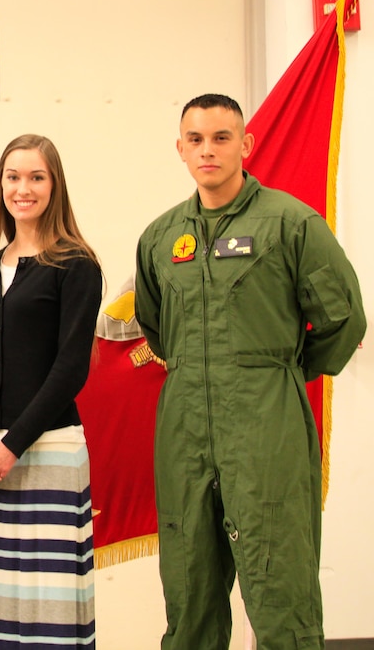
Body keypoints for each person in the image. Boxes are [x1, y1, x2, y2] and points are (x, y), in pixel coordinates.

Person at [135, 93, 366, 648]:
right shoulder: (161, 238)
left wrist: (280, 374)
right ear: (180, 149)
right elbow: (156, 327)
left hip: (267, 428)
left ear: (246, 144)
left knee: (281, 589)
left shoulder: (290, 224)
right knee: (189, 592)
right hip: (185, 429)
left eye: (221, 138)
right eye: (196, 139)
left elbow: (343, 318)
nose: (208, 150)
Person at [0, 134, 102, 648]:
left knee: (48, 602)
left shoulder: (77, 264)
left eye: (36, 177)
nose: (24, 187)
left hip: (47, 450)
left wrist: (12, 444)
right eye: (13, 176)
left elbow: (70, 369)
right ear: (1, 185)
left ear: (54, 185)